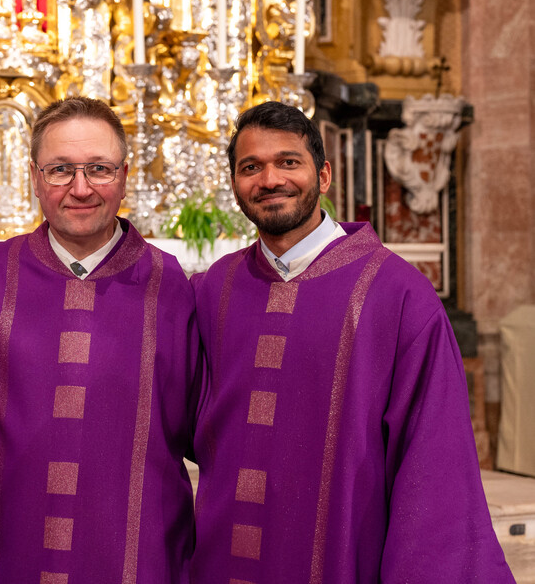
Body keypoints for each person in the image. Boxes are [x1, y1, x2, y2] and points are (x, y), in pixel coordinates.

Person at [190, 101, 514, 582]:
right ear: (235, 184)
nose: (270, 179)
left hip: (343, 554)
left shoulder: (397, 294)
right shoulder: (216, 288)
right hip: (226, 554)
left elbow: (434, 460)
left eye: (288, 162)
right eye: (250, 167)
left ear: (323, 176)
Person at [0, 96, 200, 583]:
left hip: (138, 546)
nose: (81, 188)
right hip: (15, 544)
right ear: (34, 177)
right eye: (60, 169)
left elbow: (209, 419)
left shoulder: (170, 285)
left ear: (125, 175)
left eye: (99, 169)